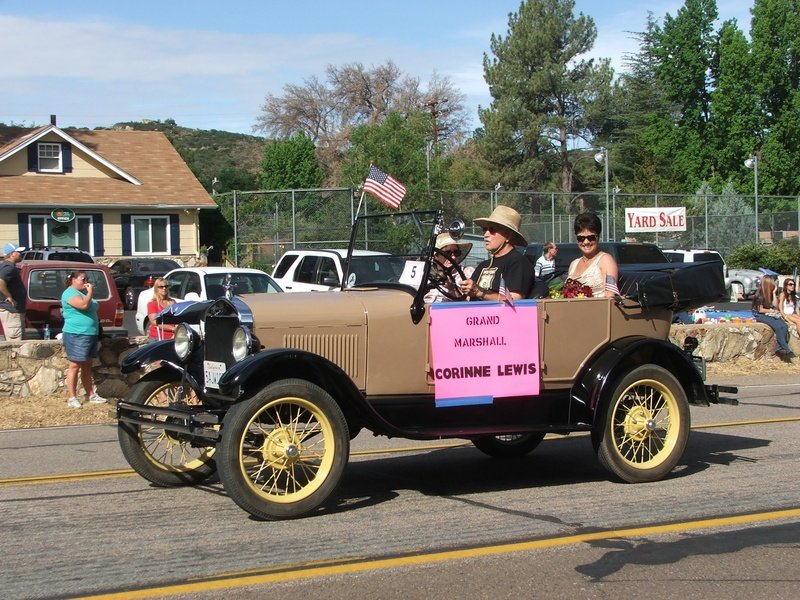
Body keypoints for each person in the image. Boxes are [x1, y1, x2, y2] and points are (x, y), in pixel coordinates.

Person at [460, 205, 532, 301]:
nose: (486, 234)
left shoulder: (518, 262)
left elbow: (514, 301)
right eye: (485, 229)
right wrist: (451, 288)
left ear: (508, 236)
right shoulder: (483, 265)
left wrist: (479, 291)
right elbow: (468, 298)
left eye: (492, 230)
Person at [61, 270, 107, 408]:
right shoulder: (69, 293)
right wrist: (90, 292)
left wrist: (88, 293)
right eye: (82, 279)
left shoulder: (82, 293)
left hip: (90, 333)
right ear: (73, 280)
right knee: (75, 365)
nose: (86, 282)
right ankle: (72, 397)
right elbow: (83, 305)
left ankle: (91, 394)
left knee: (87, 365)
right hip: (76, 334)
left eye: (87, 279)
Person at [566, 213, 619, 298]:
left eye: (591, 238)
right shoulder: (573, 264)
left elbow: (610, 296)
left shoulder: (606, 260)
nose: (586, 242)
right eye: (581, 238)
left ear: (598, 237)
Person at [425, 232, 474, 303]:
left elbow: (469, 303)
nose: (453, 257)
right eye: (447, 253)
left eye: (456, 252)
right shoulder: (424, 273)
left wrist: (452, 288)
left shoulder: (466, 273)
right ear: (435, 256)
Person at [752, 276, 794, 357]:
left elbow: (775, 306)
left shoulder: (770, 294)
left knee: (784, 325)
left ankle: (779, 347)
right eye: (772, 283)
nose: (774, 285)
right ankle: (786, 348)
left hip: (769, 314)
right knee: (777, 326)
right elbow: (760, 310)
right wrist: (771, 311)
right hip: (760, 315)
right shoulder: (759, 295)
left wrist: (774, 293)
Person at [0, 242, 27, 341]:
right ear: (12, 254)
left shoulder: (9, 266)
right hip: (11, 310)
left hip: (14, 310)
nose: (21, 254)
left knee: (20, 341)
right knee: (15, 341)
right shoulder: (8, 267)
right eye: (19, 252)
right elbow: (0, 281)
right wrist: (9, 296)